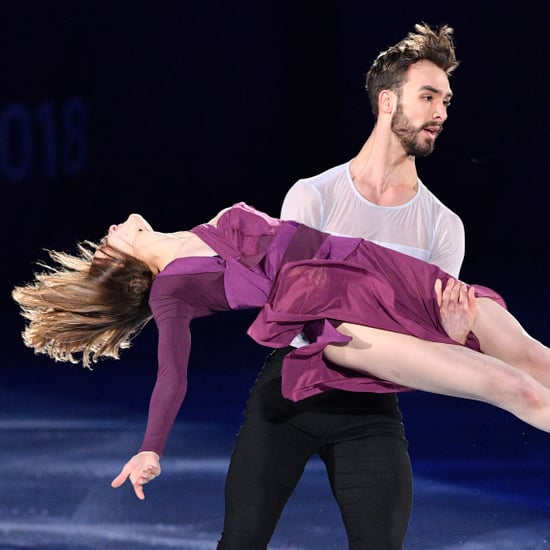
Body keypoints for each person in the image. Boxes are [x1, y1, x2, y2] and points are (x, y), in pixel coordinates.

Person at [12, 203, 550, 511]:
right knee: (515, 388)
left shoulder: (200, 227)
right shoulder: (169, 293)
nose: (109, 229)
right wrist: (152, 448)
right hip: (348, 327)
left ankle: (453, 337)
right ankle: (449, 343)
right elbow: (171, 373)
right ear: (126, 264)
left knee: (534, 357)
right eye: (107, 245)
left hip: (379, 272)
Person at [220, 22, 463, 549]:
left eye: (445, 100)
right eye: (428, 97)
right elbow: (294, 321)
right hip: (288, 395)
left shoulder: (443, 227)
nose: (441, 113)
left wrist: (451, 335)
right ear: (386, 102)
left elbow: (428, 351)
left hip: (370, 412)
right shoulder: (314, 197)